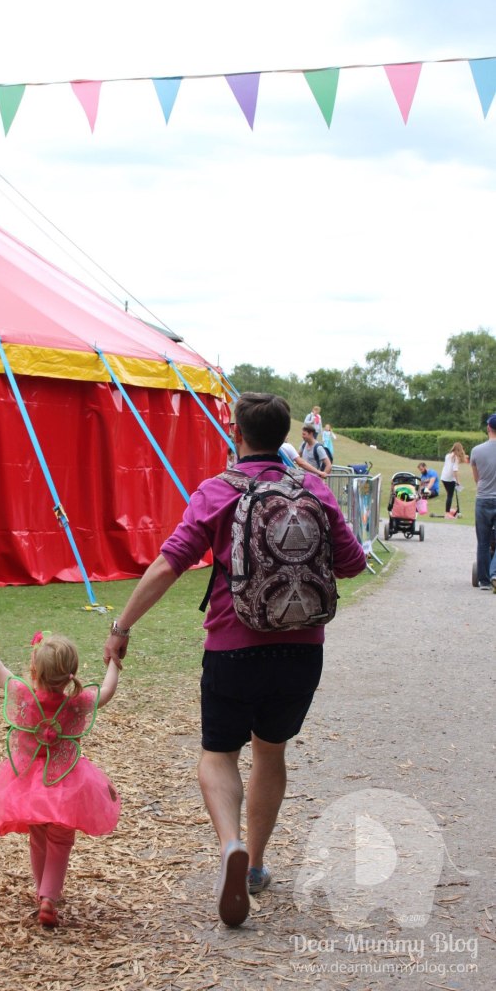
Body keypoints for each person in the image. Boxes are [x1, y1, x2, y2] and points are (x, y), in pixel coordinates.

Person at [103, 392, 366, 928]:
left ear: (236, 433)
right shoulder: (311, 486)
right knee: (271, 753)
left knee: (219, 752)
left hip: (231, 646)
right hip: (301, 650)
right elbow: (353, 564)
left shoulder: (217, 491)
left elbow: (168, 565)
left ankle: (230, 846)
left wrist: (121, 627)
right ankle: (257, 866)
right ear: (285, 432)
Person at [0, 629, 121, 928]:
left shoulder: (24, 694)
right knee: (61, 839)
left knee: (38, 836)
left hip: (27, 784)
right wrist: (114, 662)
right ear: (72, 673)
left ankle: (42, 892)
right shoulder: (77, 703)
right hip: (67, 784)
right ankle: (50, 896)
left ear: (34, 670)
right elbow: (108, 691)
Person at [470, 413, 496, 591]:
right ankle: (495, 572)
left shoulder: (476, 450)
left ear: (488, 427)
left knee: (483, 541)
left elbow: (476, 478)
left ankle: (485, 580)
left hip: (484, 499)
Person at [440, 442, 468, 517]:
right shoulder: (455, 458)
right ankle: (447, 512)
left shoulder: (447, 455)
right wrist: (458, 481)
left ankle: (448, 510)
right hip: (450, 479)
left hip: (444, 477)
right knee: (450, 496)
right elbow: (455, 470)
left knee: (449, 495)